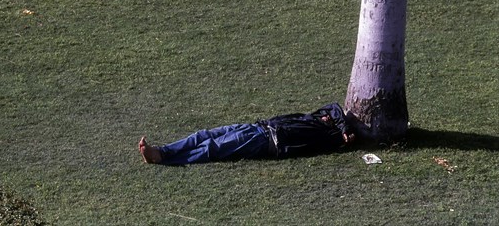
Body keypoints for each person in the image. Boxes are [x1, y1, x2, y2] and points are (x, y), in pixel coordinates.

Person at [139, 102, 355, 165]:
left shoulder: (329, 138)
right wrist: (341, 124)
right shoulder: (320, 117)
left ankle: (165, 159)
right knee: (203, 135)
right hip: (257, 127)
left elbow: (336, 122)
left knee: (213, 148)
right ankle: (163, 151)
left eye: (330, 120)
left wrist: (343, 132)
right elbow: (333, 107)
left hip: (265, 140)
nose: (326, 116)